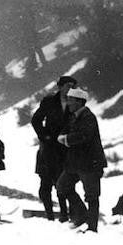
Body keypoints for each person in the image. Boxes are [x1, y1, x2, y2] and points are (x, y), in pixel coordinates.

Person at [56, 87, 107, 232]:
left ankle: (92, 227)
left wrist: (66, 139)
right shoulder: (74, 117)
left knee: (92, 195)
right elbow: (64, 132)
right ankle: (82, 215)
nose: (68, 103)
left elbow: (84, 136)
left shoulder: (88, 117)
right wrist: (63, 137)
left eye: (71, 100)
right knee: (62, 186)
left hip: (90, 163)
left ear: (79, 102)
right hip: (75, 163)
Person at [31, 75, 76, 221]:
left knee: (63, 183)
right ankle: (49, 214)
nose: (70, 89)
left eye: (72, 86)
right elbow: (36, 119)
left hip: (65, 148)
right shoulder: (49, 101)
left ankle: (64, 214)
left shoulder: (74, 103)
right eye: (68, 86)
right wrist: (44, 136)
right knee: (45, 183)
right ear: (60, 86)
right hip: (48, 149)